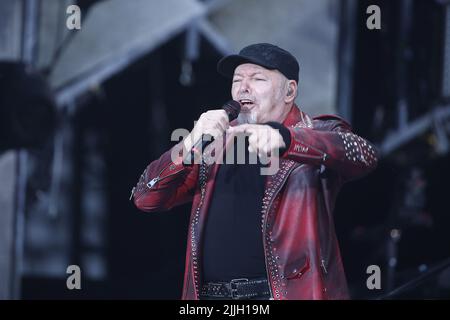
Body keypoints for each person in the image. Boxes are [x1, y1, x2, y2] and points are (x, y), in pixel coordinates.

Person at [131, 43, 378, 300]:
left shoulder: (316, 133)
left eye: (257, 78)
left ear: (289, 91)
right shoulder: (214, 142)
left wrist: (286, 140)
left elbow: (363, 154)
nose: (243, 87)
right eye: (237, 80)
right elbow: (146, 198)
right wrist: (188, 143)